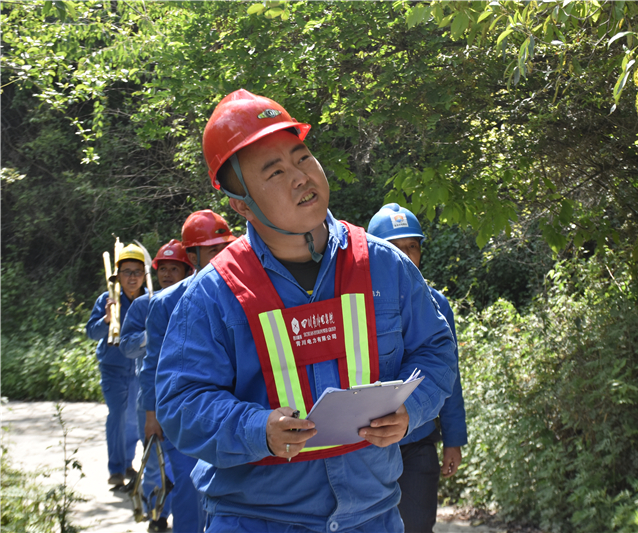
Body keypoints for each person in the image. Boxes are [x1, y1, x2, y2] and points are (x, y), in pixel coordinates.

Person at [153, 88, 457, 533]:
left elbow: (436, 350)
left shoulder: (383, 266)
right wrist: (256, 428)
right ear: (241, 205)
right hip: (256, 522)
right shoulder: (215, 294)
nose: (300, 177)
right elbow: (181, 403)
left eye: (303, 158)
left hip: (373, 517)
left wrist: (413, 409)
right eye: (275, 172)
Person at [368, 203, 468, 533]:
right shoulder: (355, 304)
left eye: (412, 246)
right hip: (368, 442)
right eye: (395, 248)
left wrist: (453, 439)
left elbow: (448, 376)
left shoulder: (437, 304)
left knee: (417, 524)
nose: (406, 256)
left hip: (419, 438)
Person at [141, 211, 237, 533]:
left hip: (229, 412)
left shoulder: (242, 294)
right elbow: (153, 365)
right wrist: (151, 415)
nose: (222, 255)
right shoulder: (167, 304)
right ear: (192, 256)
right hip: (183, 414)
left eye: (225, 247)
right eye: (213, 250)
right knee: (189, 487)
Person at [119, 239, 194, 532]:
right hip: (149, 396)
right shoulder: (143, 305)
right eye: (163, 268)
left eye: (174, 268)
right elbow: (126, 346)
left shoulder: (193, 299)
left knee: (185, 465)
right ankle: (157, 515)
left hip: (184, 395)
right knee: (154, 460)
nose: (167, 274)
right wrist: (153, 334)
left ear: (187, 271)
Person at [86, 243, 147, 487]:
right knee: (118, 416)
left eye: (137, 272)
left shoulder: (150, 299)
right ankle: (116, 469)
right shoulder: (108, 299)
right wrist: (107, 319)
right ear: (118, 275)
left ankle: (127, 463)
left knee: (133, 418)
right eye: (127, 272)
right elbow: (91, 332)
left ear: (144, 274)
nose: (132, 277)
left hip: (140, 369)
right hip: (113, 368)